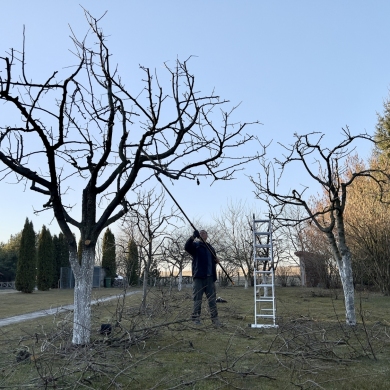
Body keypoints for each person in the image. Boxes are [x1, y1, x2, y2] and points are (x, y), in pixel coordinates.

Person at [185, 229, 221, 326]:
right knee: (197, 299)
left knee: (212, 299)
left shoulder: (211, 248)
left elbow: (212, 261)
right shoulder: (196, 245)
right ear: (198, 236)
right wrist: (192, 237)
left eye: (204, 233)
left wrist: (216, 261)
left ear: (207, 236)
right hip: (199, 277)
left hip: (210, 278)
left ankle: (215, 319)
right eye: (200, 233)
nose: (202, 234)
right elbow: (187, 247)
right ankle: (196, 318)